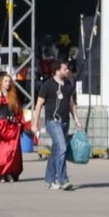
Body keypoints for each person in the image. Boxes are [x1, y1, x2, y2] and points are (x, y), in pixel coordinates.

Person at [35, 60, 76, 191]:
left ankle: (49, 179)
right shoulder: (48, 85)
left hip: (65, 121)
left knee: (56, 150)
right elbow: (39, 104)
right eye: (65, 69)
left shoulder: (68, 85)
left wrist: (76, 119)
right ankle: (63, 179)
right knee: (62, 147)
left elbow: (71, 103)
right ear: (57, 71)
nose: (67, 71)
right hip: (52, 121)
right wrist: (35, 122)